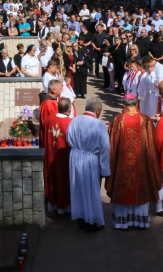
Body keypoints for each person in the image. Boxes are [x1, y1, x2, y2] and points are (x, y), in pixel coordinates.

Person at [106, 94, 162, 229]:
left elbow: (111, 145)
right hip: (141, 164)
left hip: (122, 166)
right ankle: (139, 221)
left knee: (123, 186)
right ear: (137, 104)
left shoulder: (118, 120)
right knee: (140, 187)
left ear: (123, 105)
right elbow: (152, 144)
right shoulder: (146, 120)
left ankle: (122, 222)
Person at [67, 96, 110, 232]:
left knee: (78, 188)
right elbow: (105, 148)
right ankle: (91, 220)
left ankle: (81, 219)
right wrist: (105, 168)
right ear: (97, 110)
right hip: (91, 160)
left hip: (75, 157)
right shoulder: (99, 125)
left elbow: (68, 138)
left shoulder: (75, 120)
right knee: (91, 190)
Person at [43, 98, 72, 214]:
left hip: (50, 155)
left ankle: (52, 204)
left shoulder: (49, 120)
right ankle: (65, 208)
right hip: (64, 158)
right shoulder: (70, 123)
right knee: (63, 180)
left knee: (53, 178)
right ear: (69, 110)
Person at [39, 80, 62, 145]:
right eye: (60, 88)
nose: (61, 90)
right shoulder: (47, 104)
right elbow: (47, 123)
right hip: (50, 137)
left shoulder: (53, 101)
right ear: (53, 90)